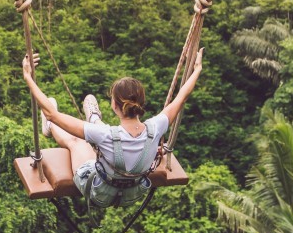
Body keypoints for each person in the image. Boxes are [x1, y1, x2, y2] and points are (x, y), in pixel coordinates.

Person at [21, 48, 204, 207]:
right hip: (131, 195)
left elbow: (53, 113)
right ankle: (93, 117)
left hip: (99, 192)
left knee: (77, 142)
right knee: (98, 138)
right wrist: (196, 70)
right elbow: (181, 97)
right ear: (141, 104)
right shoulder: (156, 127)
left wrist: (28, 77)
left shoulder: (104, 135)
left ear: (115, 106)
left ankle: (53, 126)